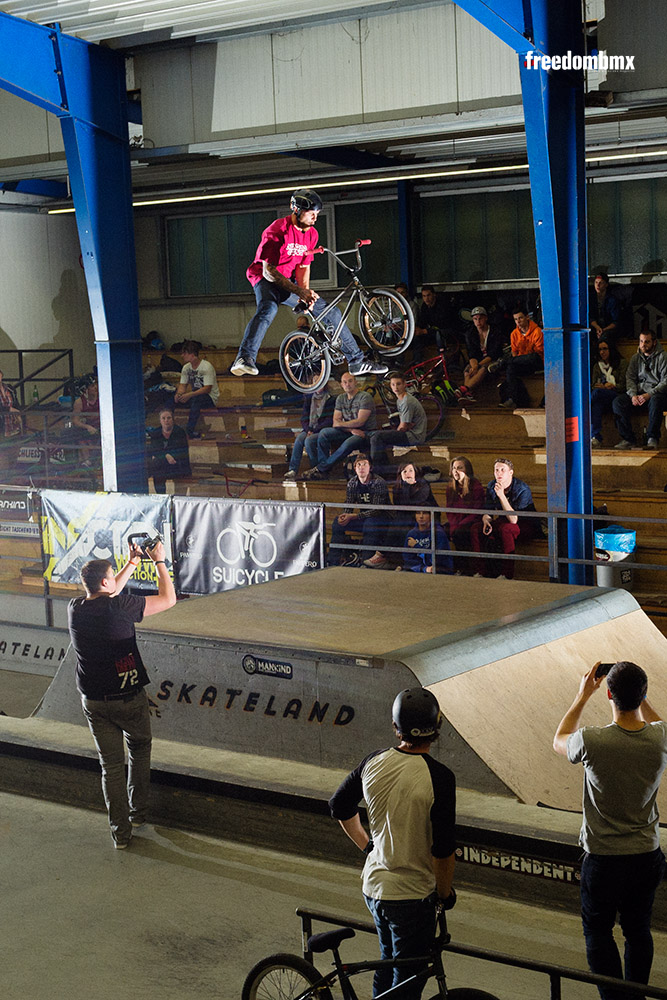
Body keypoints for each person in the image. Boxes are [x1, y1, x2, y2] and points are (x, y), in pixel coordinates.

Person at [329, 687, 456, 1000]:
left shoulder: (374, 762)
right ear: (436, 728)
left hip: (374, 889)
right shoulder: (439, 777)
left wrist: (367, 846)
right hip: (412, 897)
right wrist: (444, 893)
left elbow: (339, 806)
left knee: (388, 964)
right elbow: (443, 850)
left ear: (396, 727)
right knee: (407, 982)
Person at [553, 661, 667, 1000]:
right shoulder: (660, 739)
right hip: (646, 856)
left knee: (598, 933)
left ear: (608, 694)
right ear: (643, 694)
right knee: (638, 931)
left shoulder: (592, 740)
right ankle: (634, 995)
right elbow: (657, 721)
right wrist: (641, 695)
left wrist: (581, 696)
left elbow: (559, 739)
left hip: (603, 859)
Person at [67, 539, 177, 849]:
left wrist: (130, 563)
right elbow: (168, 599)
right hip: (128, 697)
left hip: (93, 701)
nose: (116, 579)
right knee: (139, 750)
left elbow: (108, 594)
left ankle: (121, 833)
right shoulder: (122, 606)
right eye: (113, 574)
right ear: (105, 581)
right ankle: (138, 813)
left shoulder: (76, 608)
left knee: (111, 767)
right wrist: (158, 561)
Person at [231, 188, 387, 379]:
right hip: (265, 278)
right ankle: (244, 358)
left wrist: (306, 294)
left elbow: (303, 266)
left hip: (289, 281)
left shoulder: (312, 234)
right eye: (311, 213)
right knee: (268, 309)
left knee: (331, 311)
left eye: (317, 213)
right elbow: (269, 271)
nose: (315, 217)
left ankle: (356, 361)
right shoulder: (277, 230)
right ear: (297, 210)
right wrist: (298, 291)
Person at [471, 458, 537, 579]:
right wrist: (486, 520)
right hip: (504, 521)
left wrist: (501, 495)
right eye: (496, 470)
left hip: (525, 524)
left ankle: (507, 575)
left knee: (506, 529)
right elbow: (488, 510)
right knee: (476, 528)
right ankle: (480, 572)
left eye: (503, 470)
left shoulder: (522, 488)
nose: (499, 473)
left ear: (510, 473)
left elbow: (514, 520)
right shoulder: (492, 485)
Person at [303, 372, 376, 480]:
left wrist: (344, 425)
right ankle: (322, 471)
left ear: (356, 382)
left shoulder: (365, 397)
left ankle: (321, 469)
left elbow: (360, 422)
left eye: (350, 381)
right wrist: (350, 429)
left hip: (364, 433)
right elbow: (335, 422)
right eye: (345, 382)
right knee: (323, 434)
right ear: (341, 384)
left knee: (348, 443)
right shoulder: (341, 398)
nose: (347, 384)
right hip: (348, 431)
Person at [328, 453, 390, 569]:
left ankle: (366, 561)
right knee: (338, 522)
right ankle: (333, 561)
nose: (361, 467)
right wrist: (345, 515)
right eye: (359, 465)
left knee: (370, 523)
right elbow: (349, 502)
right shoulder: (352, 483)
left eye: (365, 464)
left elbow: (376, 510)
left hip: (381, 518)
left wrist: (355, 516)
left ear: (370, 467)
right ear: (355, 468)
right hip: (363, 518)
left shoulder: (378, 482)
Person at [612, 330, 667, 450]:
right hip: (638, 394)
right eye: (641, 341)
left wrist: (649, 394)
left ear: (654, 342)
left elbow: (665, 381)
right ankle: (628, 439)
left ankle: (652, 438)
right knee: (618, 402)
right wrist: (633, 395)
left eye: (647, 342)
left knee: (657, 400)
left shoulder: (663, 357)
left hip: (655, 394)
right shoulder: (635, 358)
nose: (643, 345)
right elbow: (630, 378)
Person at [369, 373, 427, 475]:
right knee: (377, 437)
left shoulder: (407, 401)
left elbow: (403, 427)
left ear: (405, 384)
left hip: (413, 436)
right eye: (393, 384)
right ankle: (385, 471)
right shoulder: (400, 400)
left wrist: (393, 434)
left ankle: (377, 472)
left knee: (377, 437)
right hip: (409, 432)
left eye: (398, 384)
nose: (396, 387)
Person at [284, 383, 336, 480]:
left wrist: (314, 430)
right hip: (309, 429)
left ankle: (315, 468)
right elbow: (304, 418)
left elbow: (329, 420)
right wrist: (308, 430)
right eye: (315, 382)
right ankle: (293, 469)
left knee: (309, 441)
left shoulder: (330, 399)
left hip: (321, 429)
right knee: (299, 439)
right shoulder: (308, 398)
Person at [496, 306, 544, 409]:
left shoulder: (537, 331)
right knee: (511, 367)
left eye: (520, 318)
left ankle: (503, 362)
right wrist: (514, 361)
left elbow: (539, 352)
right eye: (515, 319)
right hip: (522, 363)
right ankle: (512, 399)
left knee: (531, 357)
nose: (518, 321)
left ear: (527, 317)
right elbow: (514, 352)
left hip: (537, 361)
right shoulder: (514, 334)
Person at [445, 456, 485, 575]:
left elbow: (476, 510)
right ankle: (446, 568)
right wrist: (454, 525)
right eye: (454, 468)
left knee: (461, 533)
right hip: (456, 522)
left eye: (460, 468)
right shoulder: (450, 487)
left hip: (473, 520)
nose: (456, 471)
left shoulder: (476, 486)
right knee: (440, 531)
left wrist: (458, 526)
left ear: (467, 470)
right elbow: (449, 510)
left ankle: (467, 569)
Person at [174, 340, 219, 439]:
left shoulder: (206, 367)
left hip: (209, 398)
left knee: (197, 400)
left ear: (192, 354)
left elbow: (207, 389)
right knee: (171, 400)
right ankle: (169, 430)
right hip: (194, 396)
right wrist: (179, 394)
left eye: (184, 353)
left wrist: (189, 395)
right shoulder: (186, 368)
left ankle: (189, 431)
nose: (182, 355)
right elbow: (182, 385)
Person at [590, 341, 627, 448]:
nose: (602, 352)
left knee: (596, 393)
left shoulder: (622, 363)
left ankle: (583, 405)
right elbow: (594, 385)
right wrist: (603, 386)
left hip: (617, 395)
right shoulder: (597, 366)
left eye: (605, 349)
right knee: (596, 405)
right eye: (600, 349)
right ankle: (596, 437)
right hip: (602, 397)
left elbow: (624, 385)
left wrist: (611, 386)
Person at [147, 407, 191, 493]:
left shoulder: (180, 432)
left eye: (168, 418)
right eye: (163, 418)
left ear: (173, 419)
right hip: (162, 464)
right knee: (157, 466)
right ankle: (162, 496)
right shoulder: (156, 433)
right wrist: (166, 456)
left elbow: (182, 451)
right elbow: (154, 450)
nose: (166, 420)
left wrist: (170, 456)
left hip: (177, 463)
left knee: (157, 464)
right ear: (160, 420)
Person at [463, 307, 507, 393]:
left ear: (486, 318)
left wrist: (477, 366)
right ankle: (467, 392)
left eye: (480, 318)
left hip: (493, 360)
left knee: (483, 368)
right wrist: (474, 366)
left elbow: (494, 353)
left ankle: (465, 391)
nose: (478, 321)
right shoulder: (470, 333)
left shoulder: (495, 331)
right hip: (478, 360)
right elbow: (472, 353)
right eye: (475, 319)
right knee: (467, 370)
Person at [400, 510, 453, 574]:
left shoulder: (439, 533)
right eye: (418, 513)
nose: (421, 516)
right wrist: (422, 568)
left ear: (431, 516)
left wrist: (417, 546)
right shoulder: (412, 533)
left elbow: (439, 558)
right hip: (419, 570)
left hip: (439, 570)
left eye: (424, 513)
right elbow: (407, 558)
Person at [71, 378, 100, 467]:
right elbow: (75, 420)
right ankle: (87, 461)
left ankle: (91, 461)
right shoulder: (79, 402)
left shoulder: (101, 398)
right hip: (88, 427)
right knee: (79, 434)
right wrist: (87, 427)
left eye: (95, 385)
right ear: (85, 390)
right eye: (92, 386)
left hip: (101, 425)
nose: (95, 387)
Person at [590, 272, 621, 348]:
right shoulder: (591, 298)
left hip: (608, 328)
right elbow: (590, 316)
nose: (598, 285)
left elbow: (615, 321)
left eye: (601, 283)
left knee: (606, 336)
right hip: (596, 328)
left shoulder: (612, 299)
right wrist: (597, 327)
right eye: (596, 282)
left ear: (606, 285)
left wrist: (604, 330)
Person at [0, 369, 21, 437]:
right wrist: (9, 409)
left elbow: (15, 402)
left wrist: (18, 414)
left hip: (13, 423)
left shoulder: (9, 388)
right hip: (2, 425)